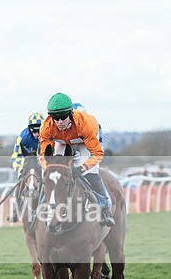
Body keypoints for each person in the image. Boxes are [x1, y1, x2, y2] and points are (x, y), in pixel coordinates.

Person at [38, 92, 115, 227]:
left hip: (85, 140)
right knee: (53, 174)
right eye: (56, 118)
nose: (60, 122)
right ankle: (41, 206)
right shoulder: (46, 127)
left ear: (70, 114)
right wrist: (49, 167)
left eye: (63, 117)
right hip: (62, 140)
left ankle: (105, 208)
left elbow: (97, 153)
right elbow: (44, 156)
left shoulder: (85, 124)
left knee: (90, 172)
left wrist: (82, 168)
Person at [8, 112, 44, 222]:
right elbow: (15, 156)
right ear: (30, 129)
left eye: (39, 130)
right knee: (20, 181)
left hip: (43, 159)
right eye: (34, 130)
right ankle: (16, 208)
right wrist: (19, 169)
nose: (37, 133)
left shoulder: (49, 135)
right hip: (29, 160)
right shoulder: (23, 137)